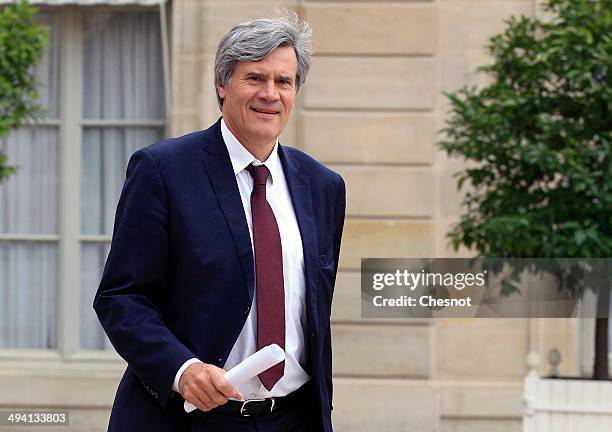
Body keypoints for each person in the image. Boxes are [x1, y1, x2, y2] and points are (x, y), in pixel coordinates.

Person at [93, 13, 345, 432]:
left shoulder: (323, 186)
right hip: (189, 419)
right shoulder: (163, 170)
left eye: (283, 82)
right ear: (222, 84)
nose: (270, 94)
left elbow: (314, 312)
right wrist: (182, 369)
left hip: (295, 418)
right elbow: (121, 297)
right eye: (255, 78)